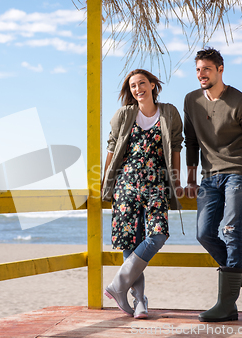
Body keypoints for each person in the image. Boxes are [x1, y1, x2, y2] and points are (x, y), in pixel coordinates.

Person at [183, 47, 242, 322]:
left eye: (206, 69)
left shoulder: (241, 103)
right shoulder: (191, 101)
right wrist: (190, 177)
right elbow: (192, 141)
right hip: (209, 176)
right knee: (204, 233)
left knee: (232, 230)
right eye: (198, 69)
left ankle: (227, 304)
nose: (201, 74)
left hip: (238, 172)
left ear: (220, 70)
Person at [102, 69, 183, 319]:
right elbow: (113, 148)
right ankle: (139, 301)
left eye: (142, 83)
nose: (138, 89)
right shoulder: (124, 114)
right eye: (133, 86)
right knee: (131, 243)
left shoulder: (168, 112)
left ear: (152, 85)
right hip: (126, 184)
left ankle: (118, 284)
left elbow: (176, 148)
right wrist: (106, 181)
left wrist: (177, 181)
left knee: (158, 236)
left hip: (157, 183)